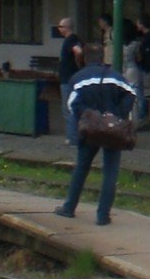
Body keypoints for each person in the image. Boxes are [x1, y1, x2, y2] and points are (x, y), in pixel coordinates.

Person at [53, 49, 138, 226]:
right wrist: (116, 115)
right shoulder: (116, 77)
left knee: (81, 168)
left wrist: (89, 116)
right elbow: (131, 94)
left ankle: (69, 208)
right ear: (102, 60)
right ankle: (103, 216)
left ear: (84, 59)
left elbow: (72, 104)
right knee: (110, 172)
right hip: (112, 130)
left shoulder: (78, 78)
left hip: (90, 130)